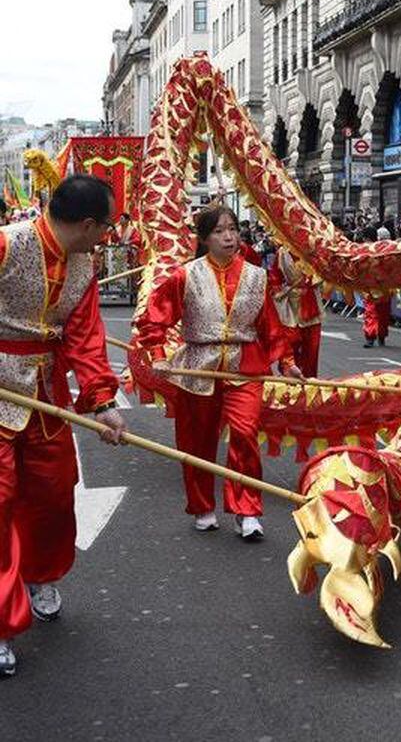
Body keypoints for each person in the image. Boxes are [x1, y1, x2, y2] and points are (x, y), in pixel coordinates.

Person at [0, 175, 126, 678]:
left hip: (47, 396)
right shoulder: (9, 244)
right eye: (107, 227)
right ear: (89, 223)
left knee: (53, 495)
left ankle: (37, 575)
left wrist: (100, 402)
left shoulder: (85, 266)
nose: (108, 237)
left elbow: (85, 337)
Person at [136, 206, 302, 541]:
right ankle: (202, 506)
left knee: (244, 433)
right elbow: (153, 317)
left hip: (246, 366)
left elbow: (270, 326)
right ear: (204, 238)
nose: (229, 236)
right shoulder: (185, 276)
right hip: (199, 364)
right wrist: (156, 353)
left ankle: (246, 510)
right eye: (219, 231)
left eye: (232, 229)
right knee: (197, 440)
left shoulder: (257, 276)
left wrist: (286, 363)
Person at [268, 247, 323, 376]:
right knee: (289, 341)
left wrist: (314, 280)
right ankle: (289, 373)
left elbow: (322, 272)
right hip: (289, 302)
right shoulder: (282, 253)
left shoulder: (312, 251)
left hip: (310, 301)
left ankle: (309, 380)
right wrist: (277, 289)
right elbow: (275, 276)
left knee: (311, 348)